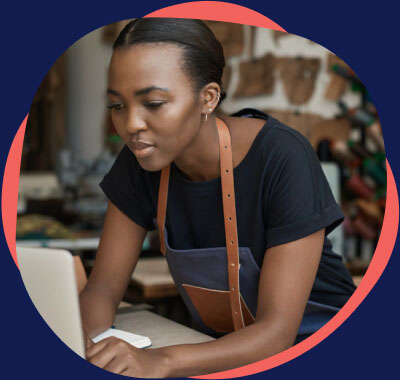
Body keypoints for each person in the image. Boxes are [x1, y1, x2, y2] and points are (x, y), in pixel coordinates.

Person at [79, 18, 356, 377]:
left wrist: (160, 360)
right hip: (224, 353)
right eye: (117, 106)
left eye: (154, 102)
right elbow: (101, 289)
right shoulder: (140, 160)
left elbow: (277, 334)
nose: (131, 124)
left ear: (207, 98)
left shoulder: (282, 157)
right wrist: (90, 348)